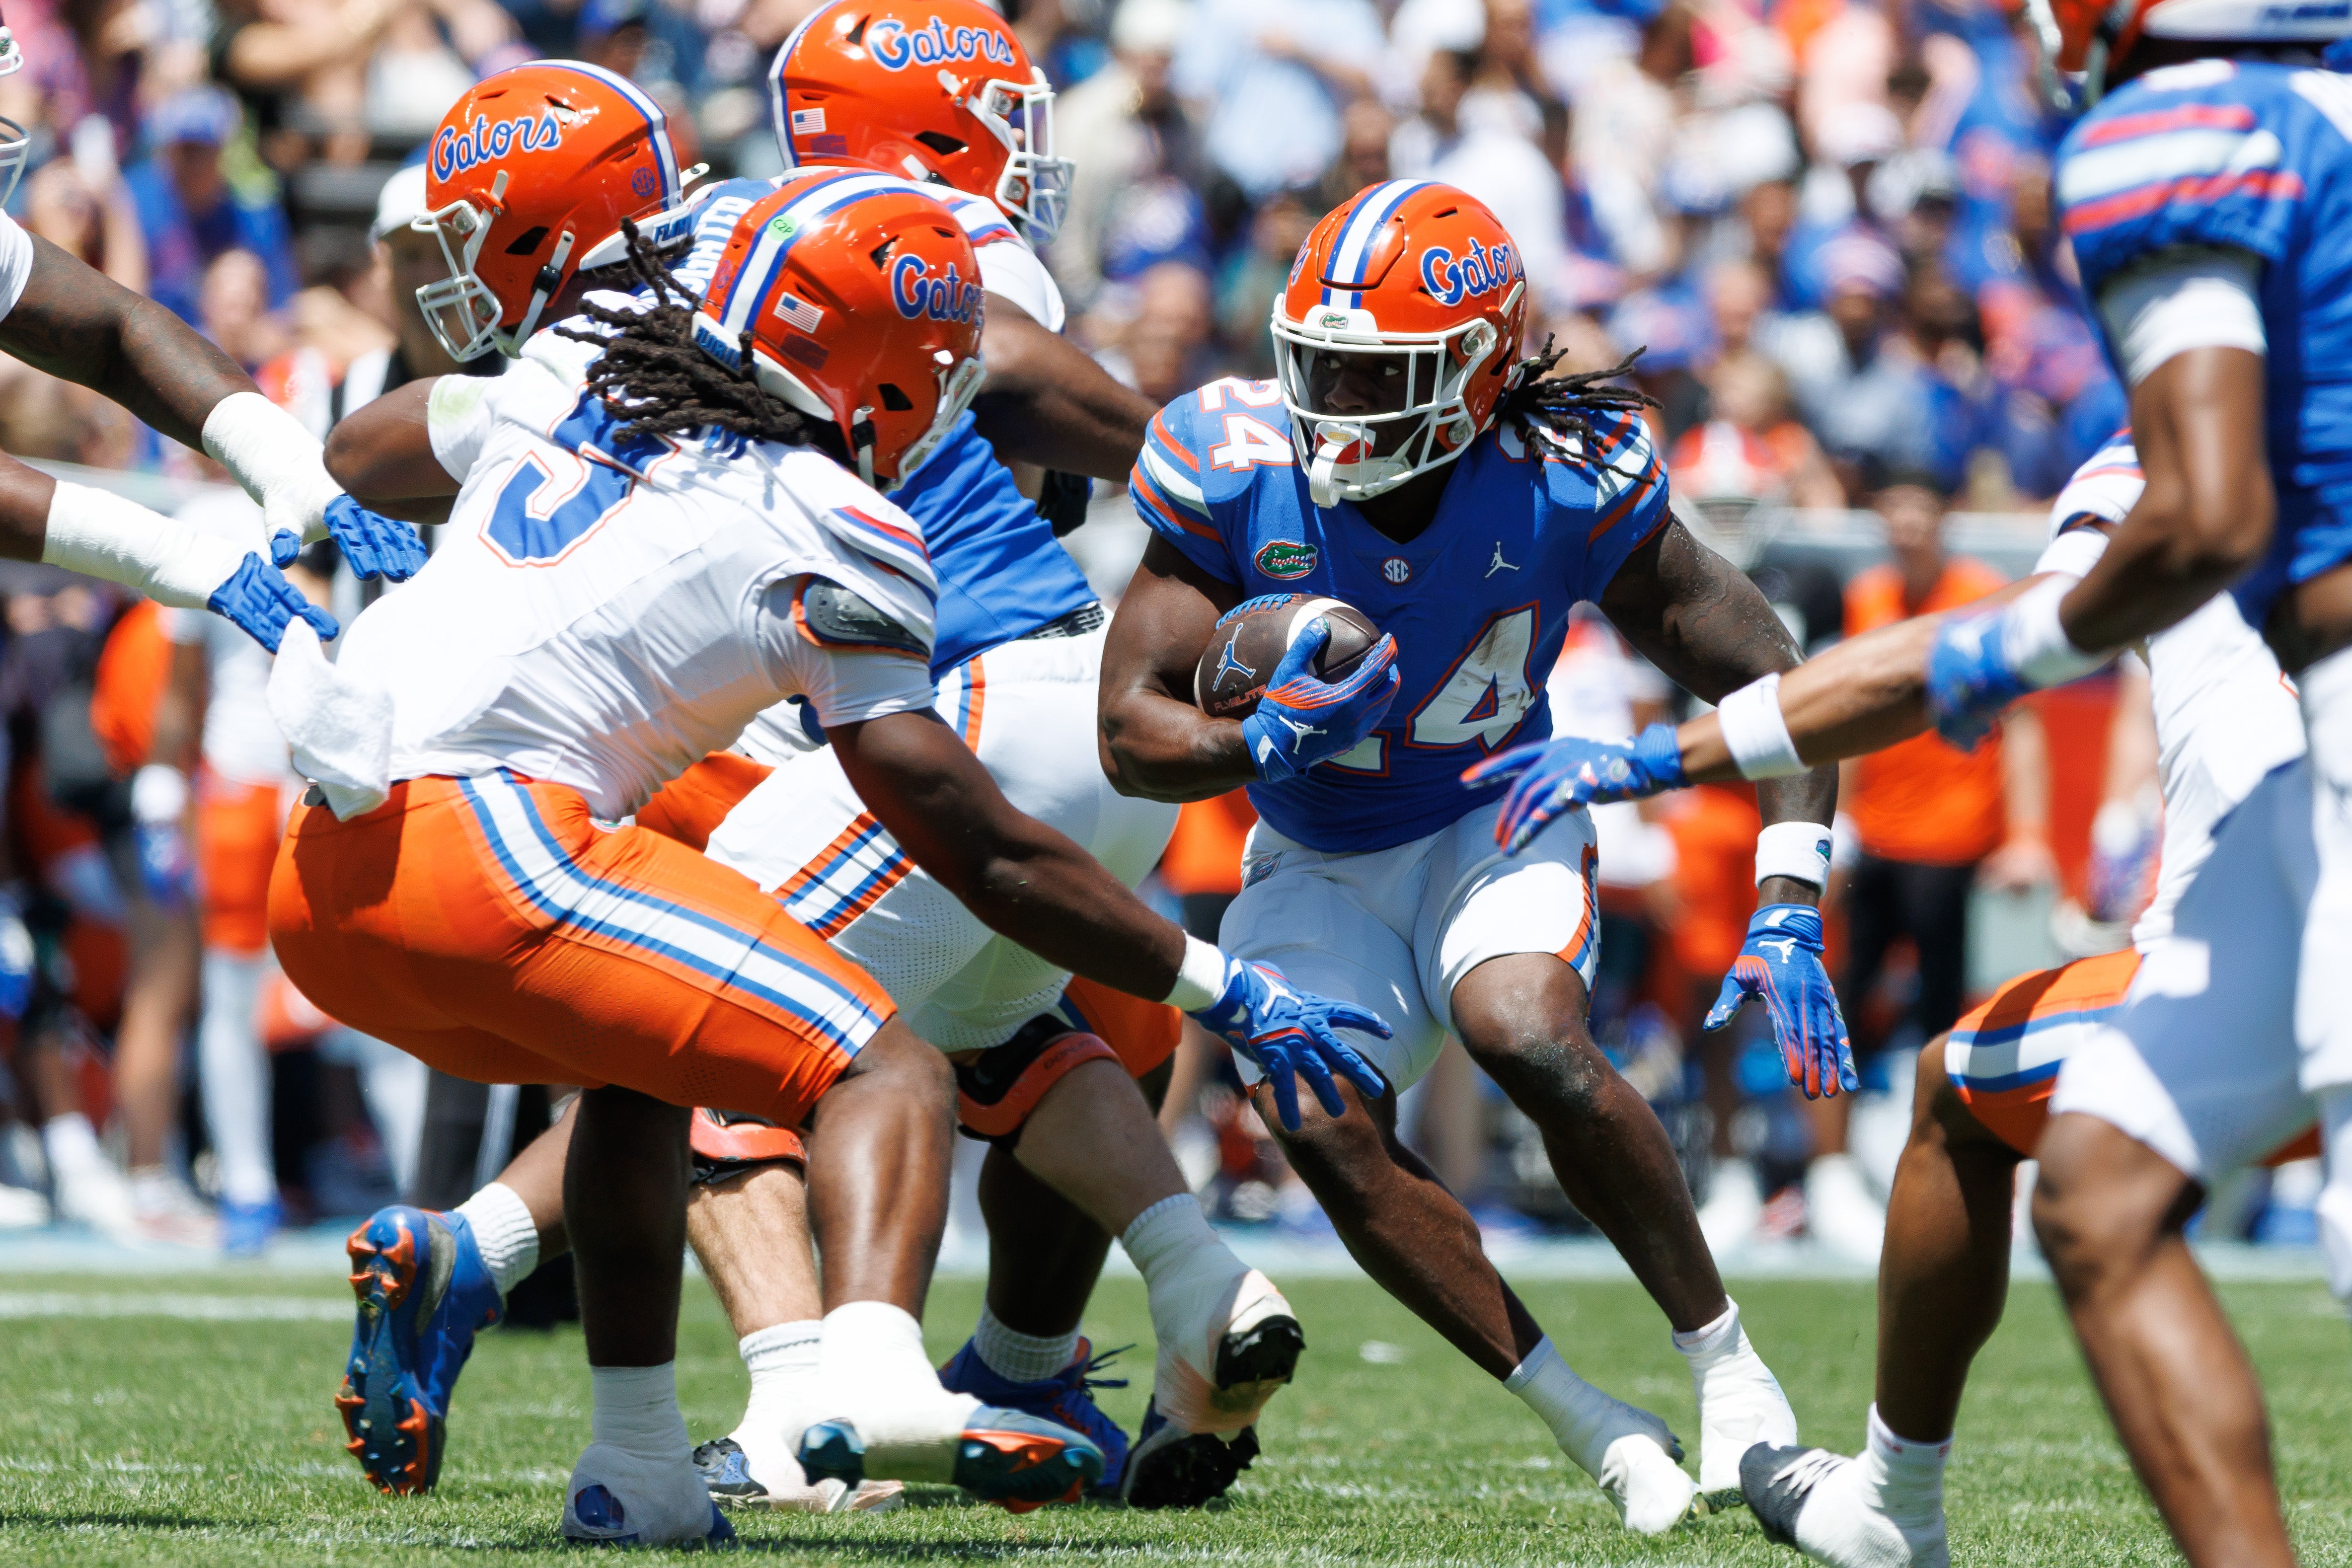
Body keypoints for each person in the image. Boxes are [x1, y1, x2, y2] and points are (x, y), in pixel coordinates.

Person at [305, 175, 1386, 1544]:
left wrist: (321, 484)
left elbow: (378, 439)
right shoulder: (861, 396)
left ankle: (755, 1390)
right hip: (1057, 690)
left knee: (745, 1039)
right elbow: (1041, 394)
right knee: (989, 1032)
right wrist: (1225, 476)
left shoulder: (609, 353)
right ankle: (1196, 1280)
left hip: (422, 804)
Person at [1099, 178, 1834, 1532]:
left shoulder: (1560, 475)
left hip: (1496, 811)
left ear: (1479, 371)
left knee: (1524, 1030)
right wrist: (1262, 742)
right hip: (1316, 852)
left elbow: (1768, 677)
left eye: (1372, 377)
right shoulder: (1233, 460)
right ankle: (1593, 1423)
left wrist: (1787, 892)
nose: (1329, 403)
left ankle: (1724, 1366)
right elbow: (1129, 732)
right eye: (1314, 364)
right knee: (1313, 1113)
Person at [1497, 430, 2312, 1565]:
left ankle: (1893, 1506)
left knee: (2041, 1164)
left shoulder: (2167, 451)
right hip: (2272, 949)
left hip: (2276, 973)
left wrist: (1663, 756)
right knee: (1995, 1113)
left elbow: (1960, 656)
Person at [122, 86, 298, 328]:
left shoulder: (254, 216)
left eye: (202, 150)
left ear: (223, 152)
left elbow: (282, 313)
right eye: (184, 149)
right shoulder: (132, 202)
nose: (192, 163)